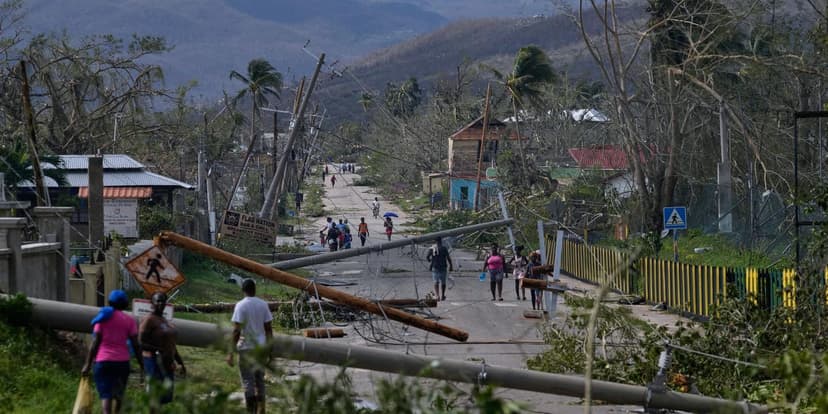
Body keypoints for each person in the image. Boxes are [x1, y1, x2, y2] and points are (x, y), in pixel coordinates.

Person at [82, 290, 144, 414]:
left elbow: (95, 343)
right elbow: (136, 345)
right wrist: (142, 364)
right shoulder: (129, 320)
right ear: (125, 304)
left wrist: (87, 364)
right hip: (122, 363)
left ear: (110, 302)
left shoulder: (103, 317)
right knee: (119, 394)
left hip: (103, 362)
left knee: (106, 395)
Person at [227, 279, 274, 414]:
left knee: (248, 381)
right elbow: (268, 329)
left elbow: (236, 331)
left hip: (246, 348)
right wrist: (270, 350)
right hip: (260, 348)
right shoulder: (263, 305)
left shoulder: (240, 306)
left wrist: (230, 352)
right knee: (259, 380)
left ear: (243, 290)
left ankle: (250, 411)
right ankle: (261, 410)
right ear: (254, 289)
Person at [139, 292, 185, 409]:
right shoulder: (149, 319)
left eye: (163, 301)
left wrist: (180, 362)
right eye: (158, 301)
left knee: (164, 397)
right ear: (152, 303)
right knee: (154, 395)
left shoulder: (165, 321)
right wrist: (158, 349)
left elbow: (172, 345)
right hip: (154, 362)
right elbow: (140, 343)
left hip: (167, 363)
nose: (160, 303)